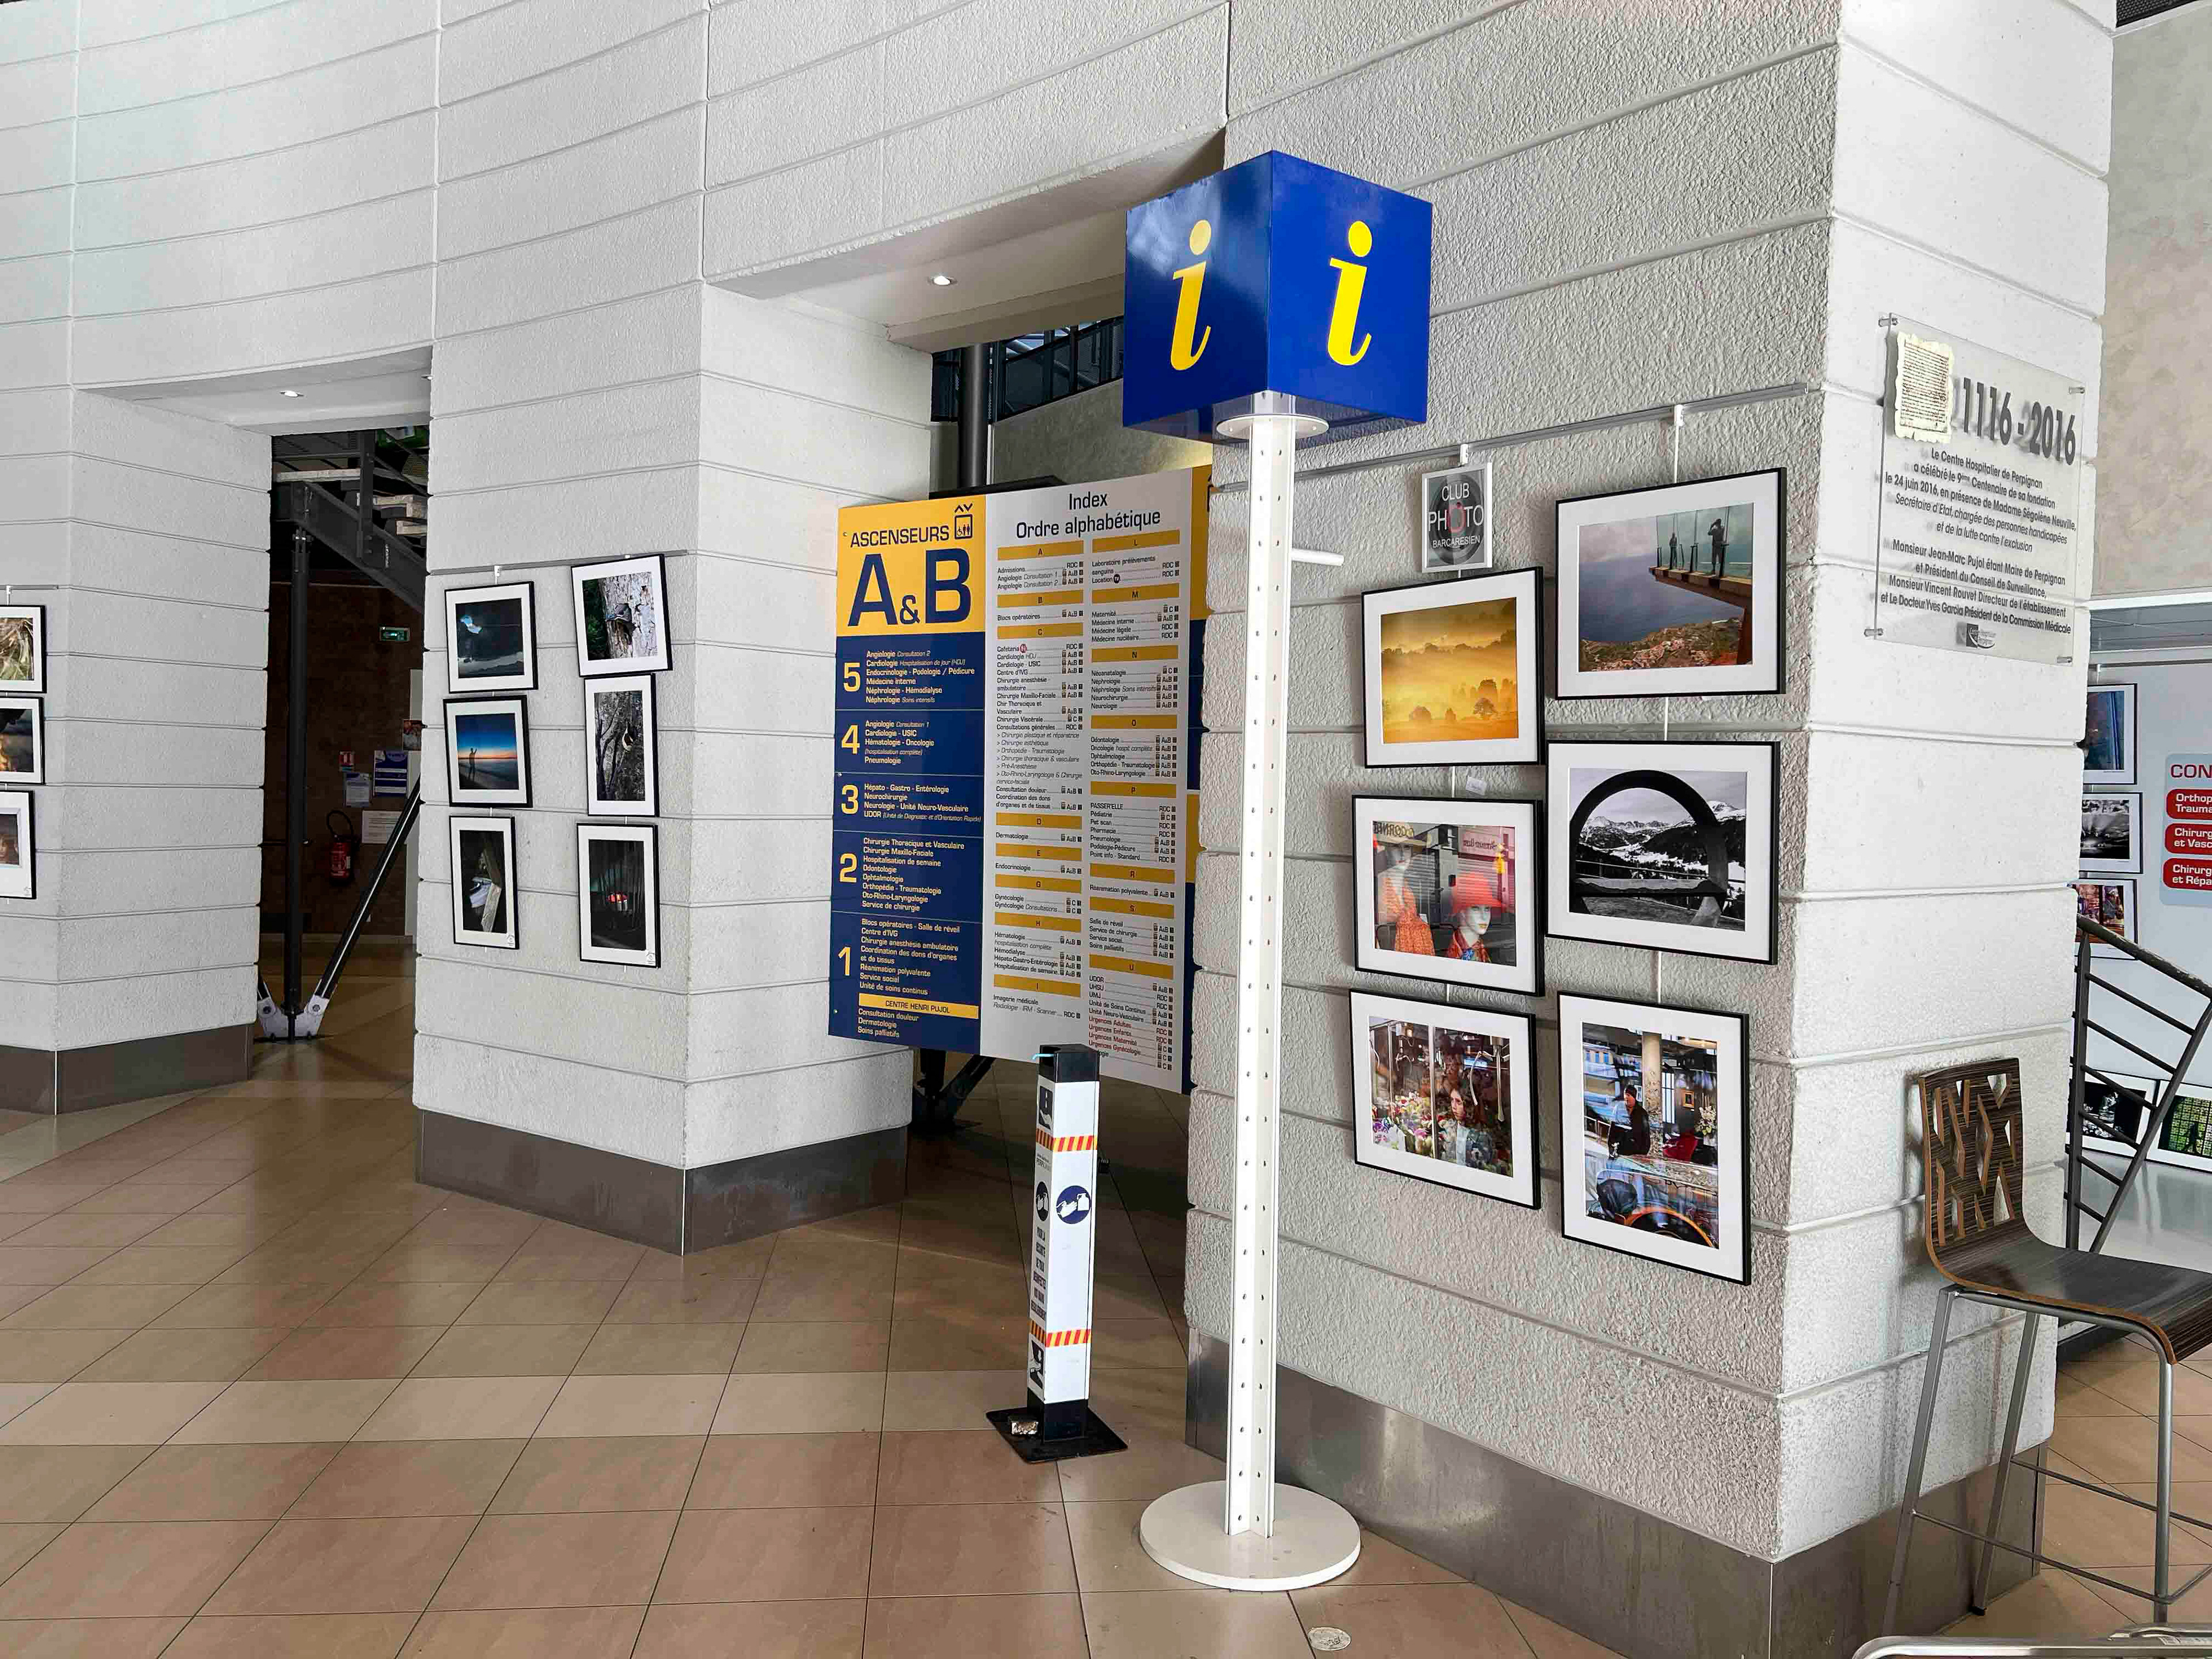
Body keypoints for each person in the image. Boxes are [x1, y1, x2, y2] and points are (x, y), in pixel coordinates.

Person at [1374, 834, 1434, 956]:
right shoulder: (1379, 888)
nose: (1402, 854)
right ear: (1387, 852)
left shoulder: (1409, 893)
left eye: (1407, 847)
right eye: (1396, 847)